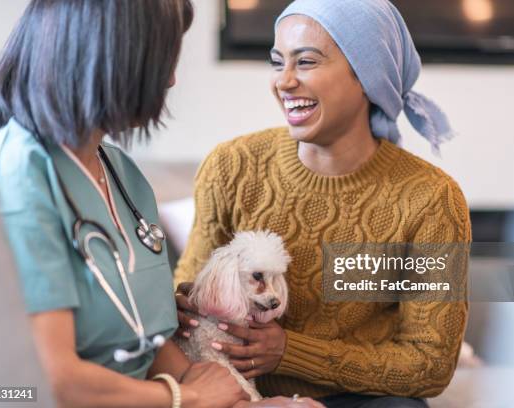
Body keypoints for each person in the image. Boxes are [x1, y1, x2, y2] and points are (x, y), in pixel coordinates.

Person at [174, 0, 471, 407]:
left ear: (368, 77)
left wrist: (290, 351)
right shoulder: (231, 166)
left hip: (359, 398)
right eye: (278, 63)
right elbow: (190, 294)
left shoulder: (431, 199)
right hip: (239, 396)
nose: (285, 81)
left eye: (307, 62)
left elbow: (430, 362)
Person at [0, 1, 262, 407]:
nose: (172, 80)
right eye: (163, 59)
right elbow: (52, 380)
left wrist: (237, 398)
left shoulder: (123, 175)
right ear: (112, 57)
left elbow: (142, 341)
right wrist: (187, 395)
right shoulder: (17, 173)